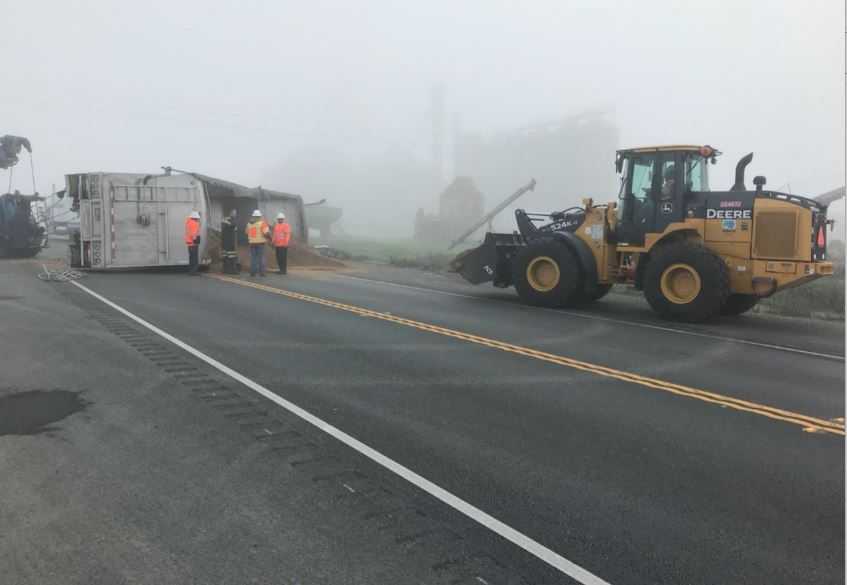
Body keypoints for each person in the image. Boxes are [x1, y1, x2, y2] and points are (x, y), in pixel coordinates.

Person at [245, 209, 270, 276]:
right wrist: (270, 239)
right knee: (261, 258)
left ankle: (252, 272)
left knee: (253, 258)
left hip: (252, 243)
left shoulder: (249, 224)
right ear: (259, 216)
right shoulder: (262, 223)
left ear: (253, 216)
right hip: (260, 243)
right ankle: (262, 273)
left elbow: (246, 232)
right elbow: (266, 233)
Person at [221, 209, 239, 274]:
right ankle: (232, 271)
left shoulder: (225, 220)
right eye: (234, 213)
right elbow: (233, 225)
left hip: (225, 241)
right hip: (229, 241)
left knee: (226, 256)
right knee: (231, 256)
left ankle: (225, 270)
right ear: (230, 213)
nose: (235, 214)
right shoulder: (229, 220)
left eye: (235, 213)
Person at [184, 210, 201, 275]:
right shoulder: (195, 223)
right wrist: (195, 240)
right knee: (194, 258)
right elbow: (193, 233)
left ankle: (191, 271)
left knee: (191, 257)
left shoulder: (188, 222)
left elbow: (189, 232)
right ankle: (194, 271)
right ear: (195, 217)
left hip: (189, 243)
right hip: (194, 243)